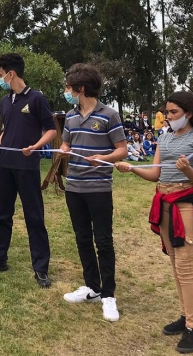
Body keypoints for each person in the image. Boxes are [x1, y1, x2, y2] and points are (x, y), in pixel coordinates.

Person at [115, 91, 193, 354]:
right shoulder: (165, 137)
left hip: (186, 206)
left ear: (189, 113)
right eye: (167, 112)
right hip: (164, 204)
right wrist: (133, 168)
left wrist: (187, 170)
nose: (168, 117)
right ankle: (185, 316)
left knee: (184, 267)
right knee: (174, 262)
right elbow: (155, 173)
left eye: (173, 113)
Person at [0, 53, 57, 289]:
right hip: (4, 165)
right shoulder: (4, 101)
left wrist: (36, 147)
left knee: (34, 216)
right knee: (1, 214)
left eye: (1, 75)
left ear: (11, 73)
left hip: (26, 167)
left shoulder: (37, 99)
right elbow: (7, 129)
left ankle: (40, 268)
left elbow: (50, 129)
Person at [59, 63, 127, 322]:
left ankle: (108, 295)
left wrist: (104, 158)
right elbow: (67, 141)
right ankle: (92, 287)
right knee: (82, 238)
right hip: (74, 187)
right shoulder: (71, 116)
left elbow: (122, 150)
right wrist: (64, 148)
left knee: (103, 241)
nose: (66, 92)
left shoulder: (109, 115)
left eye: (68, 87)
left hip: (98, 188)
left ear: (81, 88)